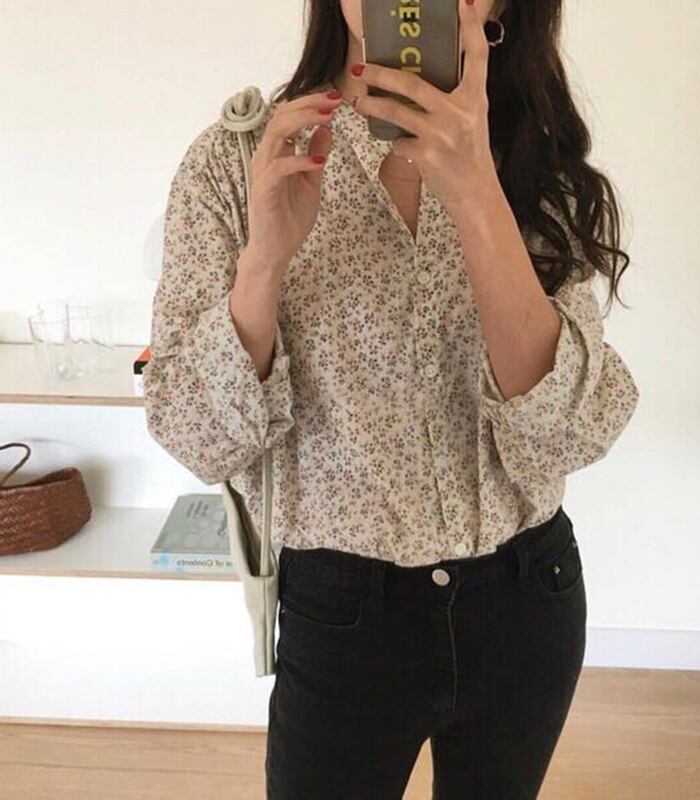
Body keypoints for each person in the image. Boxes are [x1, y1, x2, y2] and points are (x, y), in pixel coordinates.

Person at [143, 0, 640, 797]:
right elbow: (197, 435)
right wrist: (264, 263)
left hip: (525, 597)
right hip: (340, 613)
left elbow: (566, 436)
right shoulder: (237, 161)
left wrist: (476, 191)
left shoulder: (531, 159)